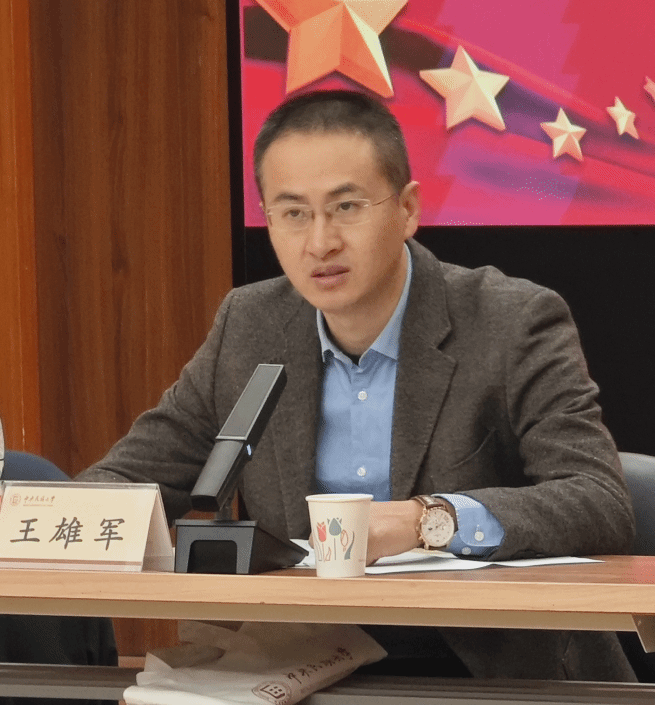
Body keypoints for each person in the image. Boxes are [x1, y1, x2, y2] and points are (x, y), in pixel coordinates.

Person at [79, 89, 637, 681]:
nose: (320, 242)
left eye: (346, 207)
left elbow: (598, 500)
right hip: (300, 663)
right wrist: (42, 518)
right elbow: (129, 480)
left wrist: (427, 521)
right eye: (294, 213)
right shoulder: (250, 325)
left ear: (408, 208)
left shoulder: (511, 321)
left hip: (489, 669)